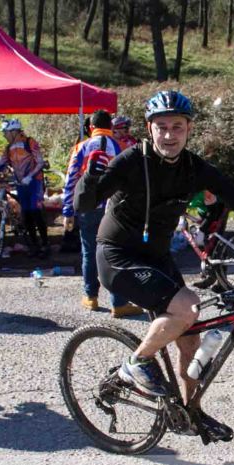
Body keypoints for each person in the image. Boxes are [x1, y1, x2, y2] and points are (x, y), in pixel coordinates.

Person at [74, 90, 234, 441]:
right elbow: (83, 204)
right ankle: (136, 363)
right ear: (149, 129)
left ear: (189, 129)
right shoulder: (131, 161)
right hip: (118, 256)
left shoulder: (194, 168)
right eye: (162, 127)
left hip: (156, 258)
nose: (169, 135)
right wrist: (89, 178)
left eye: (177, 127)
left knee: (190, 340)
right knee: (187, 307)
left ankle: (190, 413)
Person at [62, 110, 143, 318]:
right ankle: (120, 303)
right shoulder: (122, 147)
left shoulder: (81, 147)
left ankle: (91, 297)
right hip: (115, 209)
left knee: (89, 252)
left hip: (88, 206)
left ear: (91, 127)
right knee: (114, 252)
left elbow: (71, 179)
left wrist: (68, 210)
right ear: (111, 126)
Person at [0, 119, 50, 258]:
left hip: (35, 182)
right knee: (26, 214)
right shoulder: (8, 148)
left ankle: (45, 244)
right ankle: (34, 245)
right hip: (21, 183)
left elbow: (40, 162)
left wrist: (30, 176)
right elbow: (1, 164)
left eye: (6, 132)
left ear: (14, 131)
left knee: (35, 211)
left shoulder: (29, 142)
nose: (4, 135)